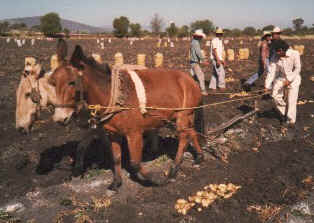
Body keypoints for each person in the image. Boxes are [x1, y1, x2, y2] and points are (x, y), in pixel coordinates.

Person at [267, 39, 301, 127]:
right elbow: (271, 72)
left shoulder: (294, 53)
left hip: (294, 79)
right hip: (281, 78)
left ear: (282, 49)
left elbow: (298, 68)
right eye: (275, 51)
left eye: (277, 51)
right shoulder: (275, 57)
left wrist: (289, 80)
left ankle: (290, 120)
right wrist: (267, 85)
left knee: (291, 100)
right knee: (274, 95)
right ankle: (282, 112)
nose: (276, 53)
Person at [190, 29, 209, 96]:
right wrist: (204, 60)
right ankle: (203, 91)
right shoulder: (196, 43)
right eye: (200, 37)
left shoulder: (192, 42)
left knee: (194, 77)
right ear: (198, 37)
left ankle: (193, 90)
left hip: (192, 62)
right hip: (195, 62)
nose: (201, 38)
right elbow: (198, 53)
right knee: (201, 76)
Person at [209, 27, 226, 92]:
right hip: (215, 59)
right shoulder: (214, 40)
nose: (220, 35)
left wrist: (223, 60)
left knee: (215, 73)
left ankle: (212, 87)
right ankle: (221, 86)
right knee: (221, 73)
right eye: (219, 34)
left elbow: (221, 51)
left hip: (219, 59)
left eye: (221, 34)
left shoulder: (220, 41)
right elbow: (214, 51)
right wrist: (218, 60)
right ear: (216, 34)